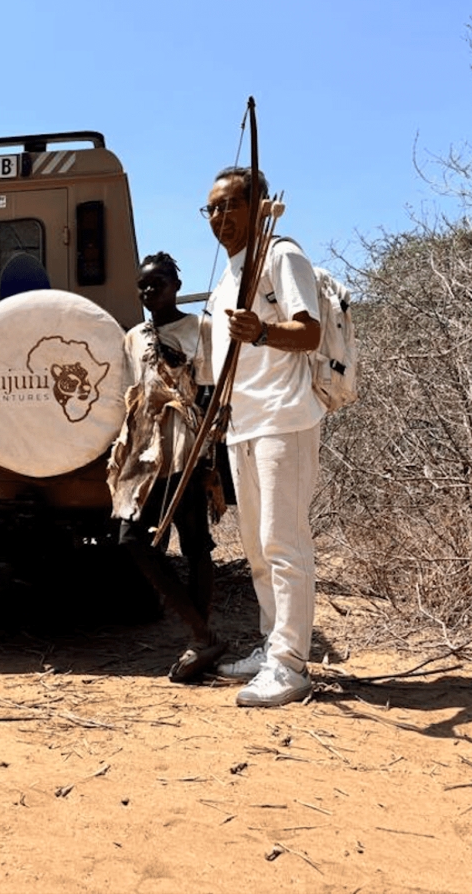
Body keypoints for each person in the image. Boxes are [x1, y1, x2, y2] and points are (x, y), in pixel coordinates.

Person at [202, 166, 325, 707]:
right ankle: (273, 645)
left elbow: (311, 330)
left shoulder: (281, 255)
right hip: (245, 423)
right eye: (210, 209)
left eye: (229, 205)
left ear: (258, 205)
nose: (219, 217)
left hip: (285, 418)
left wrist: (264, 332)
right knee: (255, 547)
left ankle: (290, 666)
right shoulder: (229, 276)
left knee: (283, 542)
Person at [108, 253, 223, 682]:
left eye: (156, 284)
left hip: (186, 443)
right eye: (142, 285)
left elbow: (210, 389)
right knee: (130, 536)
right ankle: (201, 632)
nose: (148, 292)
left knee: (196, 545)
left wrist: (208, 446)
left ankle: (198, 643)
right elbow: (130, 392)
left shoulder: (199, 329)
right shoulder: (134, 336)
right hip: (143, 446)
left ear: (175, 284)